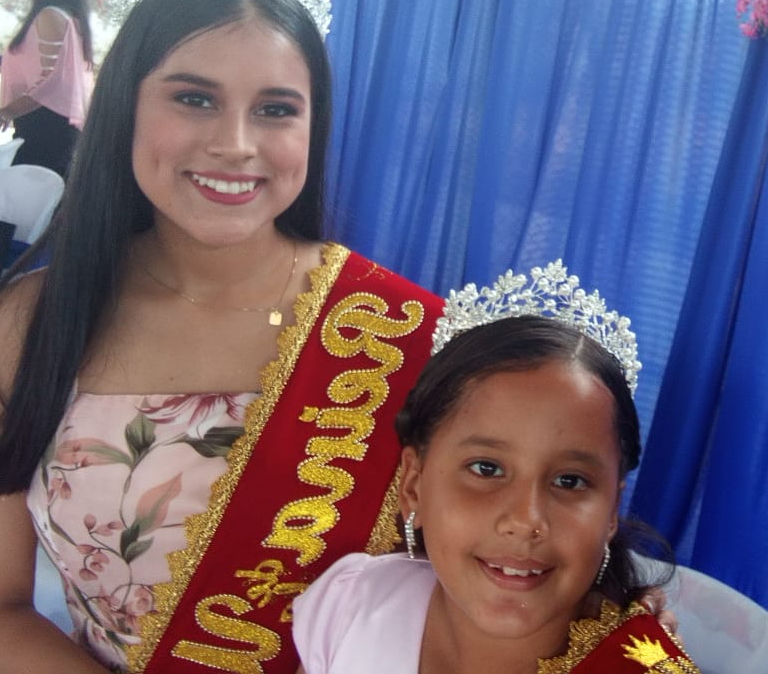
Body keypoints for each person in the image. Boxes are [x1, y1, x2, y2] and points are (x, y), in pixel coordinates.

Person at [0, 0, 442, 673]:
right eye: (194, 98)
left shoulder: (403, 334)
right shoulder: (25, 326)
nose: (235, 144)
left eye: (276, 109)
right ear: (124, 105)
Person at [292, 262, 698, 673]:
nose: (525, 520)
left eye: (569, 480)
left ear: (611, 511)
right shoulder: (352, 605)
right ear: (413, 484)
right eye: (486, 469)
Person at [0, 0, 95, 177]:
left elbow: (53, 80)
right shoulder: (67, 14)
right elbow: (58, 69)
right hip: (51, 124)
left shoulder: (50, 15)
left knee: (30, 192)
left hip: (44, 126)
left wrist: (8, 111)